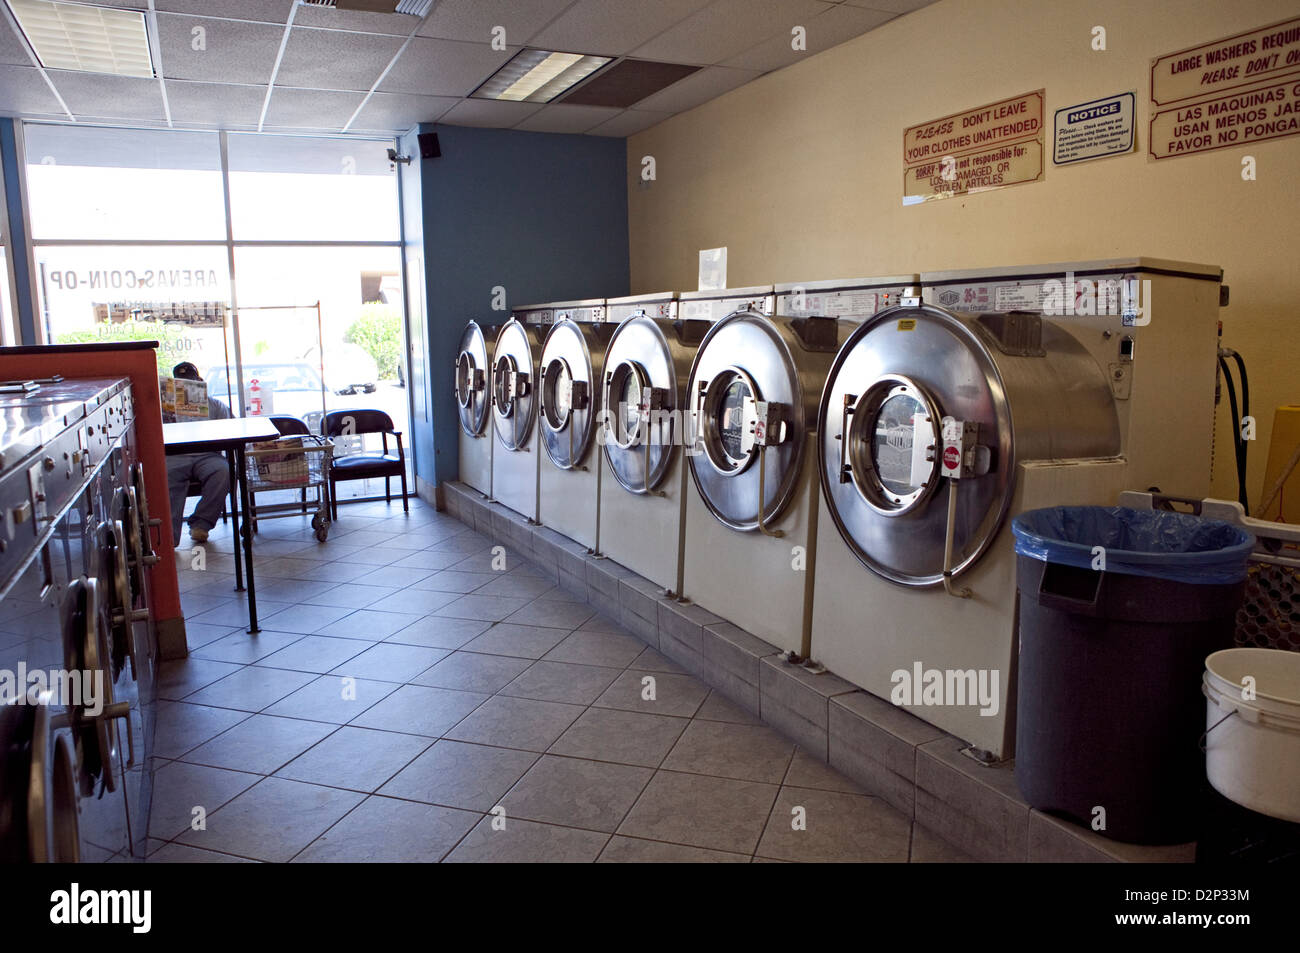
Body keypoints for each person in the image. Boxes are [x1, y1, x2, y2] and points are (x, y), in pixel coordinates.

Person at [164, 361, 231, 545]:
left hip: (206, 454)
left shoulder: (215, 405)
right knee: (165, 480)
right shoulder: (163, 407)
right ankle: (170, 537)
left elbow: (230, 429)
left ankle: (201, 524)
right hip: (174, 455)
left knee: (223, 471)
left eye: (191, 382)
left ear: (199, 382)